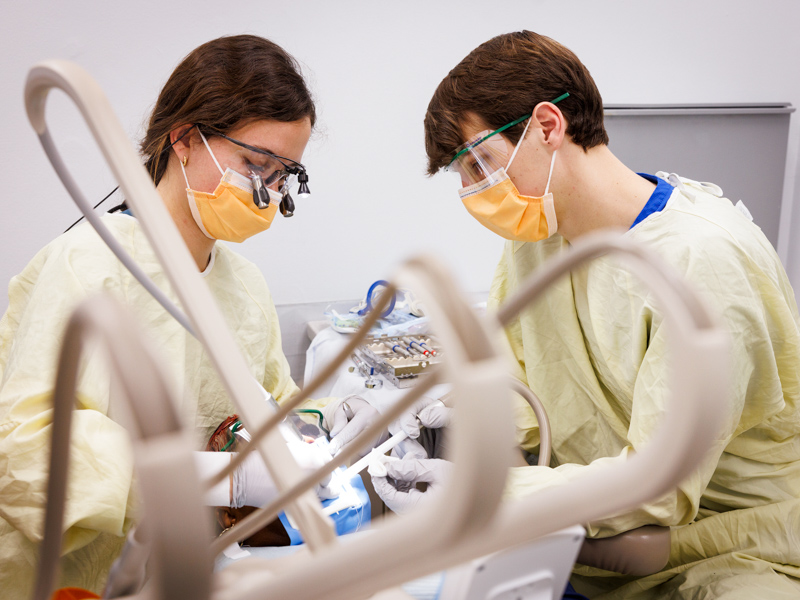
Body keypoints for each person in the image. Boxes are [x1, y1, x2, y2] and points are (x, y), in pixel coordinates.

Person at [375, 31, 800, 599]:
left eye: (479, 163)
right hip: (590, 536)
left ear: (548, 126)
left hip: (730, 547)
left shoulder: (701, 261)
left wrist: (485, 495)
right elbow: (514, 387)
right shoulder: (536, 243)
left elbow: (659, 486)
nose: (474, 192)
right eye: (463, 175)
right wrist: (440, 412)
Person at [0, 34, 377, 597]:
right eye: (255, 164)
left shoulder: (243, 286)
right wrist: (222, 478)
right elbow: (26, 451)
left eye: (283, 174)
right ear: (183, 139)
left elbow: (269, 403)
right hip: (77, 575)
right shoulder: (86, 265)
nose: (267, 193)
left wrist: (325, 423)